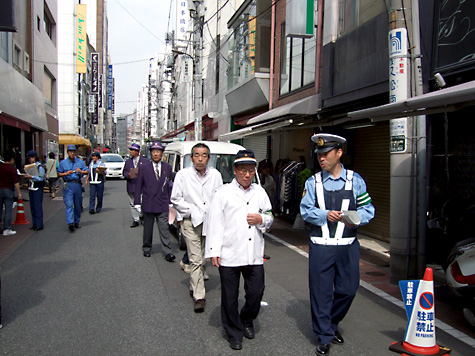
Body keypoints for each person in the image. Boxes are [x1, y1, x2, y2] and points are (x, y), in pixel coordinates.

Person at [300, 133, 375, 356]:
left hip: (347, 245)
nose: (321, 158)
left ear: (339, 153)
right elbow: (305, 210)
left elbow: (367, 209)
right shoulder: (313, 182)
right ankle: (324, 336)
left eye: (326, 154)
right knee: (321, 293)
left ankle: (331, 324)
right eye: (319, 154)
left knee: (348, 290)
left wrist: (355, 218)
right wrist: (324, 215)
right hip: (321, 245)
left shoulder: (355, 180)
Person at [205, 149, 273, 351]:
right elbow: (214, 223)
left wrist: (262, 219)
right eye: (243, 170)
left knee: (256, 292)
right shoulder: (223, 193)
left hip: (253, 253)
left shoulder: (260, 192)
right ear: (234, 171)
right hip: (229, 252)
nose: (247, 174)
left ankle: (246, 319)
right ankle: (233, 332)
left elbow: (269, 217)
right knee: (229, 296)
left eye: (251, 170)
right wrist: (214, 251)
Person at [171, 143, 223, 313]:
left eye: (204, 155)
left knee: (203, 257)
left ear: (209, 158)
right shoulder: (182, 175)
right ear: (191, 158)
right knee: (195, 258)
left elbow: (220, 197)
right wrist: (192, 210)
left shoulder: (215, 175)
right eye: (197, 155)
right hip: (190, 221)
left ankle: (195, 284)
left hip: (210, 221)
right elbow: (176, 199)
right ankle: (199, 296)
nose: (200, 159)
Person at [134, 142, 175, 261]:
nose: (156, 154)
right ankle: (147, 247)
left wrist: (170, 201)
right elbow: (139, 185)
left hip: (162, 202)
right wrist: (137, 202)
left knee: (164, 228)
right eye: (153, 151)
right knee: (148, 228)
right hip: (149, 202)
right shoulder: (144, 167)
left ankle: (167, 251)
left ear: (162, 153)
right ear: (150, 153)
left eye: (158, 151)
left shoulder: (167, 167)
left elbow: (168, 185)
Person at [57, 144, 88, 232]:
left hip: (77, 184)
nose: (72, 153)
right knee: (69, 204)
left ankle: (76, 221)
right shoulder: (63, 163)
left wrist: (81, 171)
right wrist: (66, 174)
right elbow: (59, 173)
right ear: (68, 153)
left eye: (74, 151)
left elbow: (87, 171)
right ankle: (70, 222)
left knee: (77, 205)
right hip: (68, 184)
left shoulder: (80, 162)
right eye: (70, 152)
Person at [123, 143, 147, 227]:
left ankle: (142, 216)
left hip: (142, 186)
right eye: (130, 150)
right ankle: (135, 219)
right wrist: (128, 175)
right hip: (131, 185)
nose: (131, 152)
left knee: (143, 202)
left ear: (137, 152)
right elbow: (124, 173)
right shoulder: (128, 162)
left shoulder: (145, 161)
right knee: (132, 203)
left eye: (133, 150)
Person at [0, 150, 23, 236]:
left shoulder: (0, 166)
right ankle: (7, 228)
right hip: (8, 190)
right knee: (8, 210)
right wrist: (19, 192)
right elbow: (15, 182)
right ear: (12, 159)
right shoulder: (12, 169)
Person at [24, 150, 46, 231]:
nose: (29, 160)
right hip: (31, 188)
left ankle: (39, 224)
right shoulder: (30, 166)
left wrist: (32, 177)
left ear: (34, 158)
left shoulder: (39, 167)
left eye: (30, 158)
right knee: (32, 207)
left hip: (37, 188)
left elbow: (41, 178)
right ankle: (34, 223)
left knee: (37, 207)